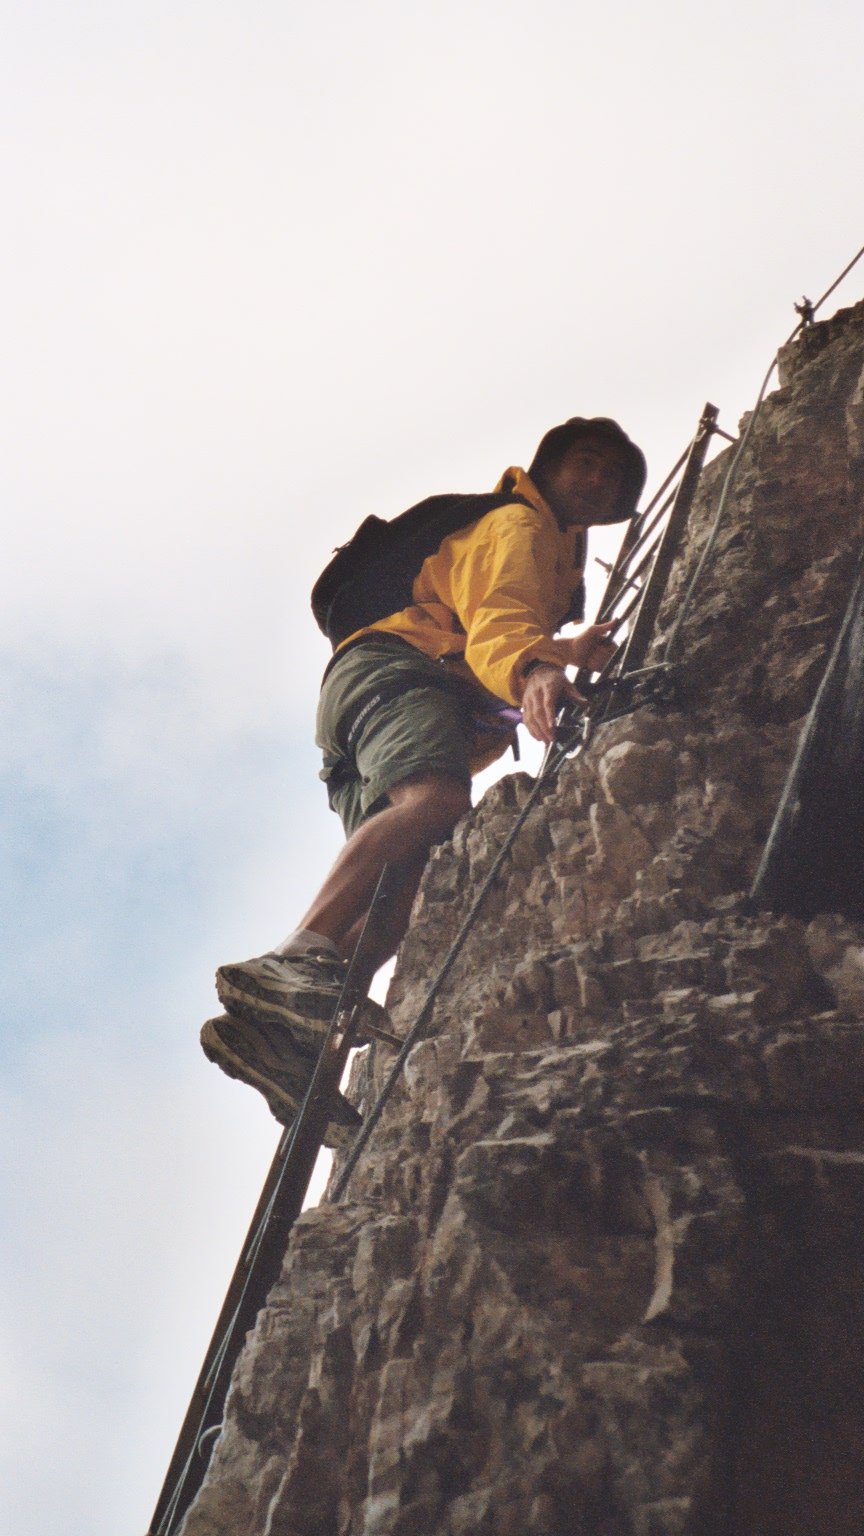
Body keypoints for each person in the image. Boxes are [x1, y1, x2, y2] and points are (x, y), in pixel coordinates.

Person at [201, 416, 646, 1141]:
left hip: (375, 689)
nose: (598, 479)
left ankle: (289, 1040)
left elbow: (476, 617)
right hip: (398, 671)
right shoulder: (520, 524)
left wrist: (562, 650)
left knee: (409, 882)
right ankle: (294, 959)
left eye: (613, 476)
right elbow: (498, 615)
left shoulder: (550, 560)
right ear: (550, 467)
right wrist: (538, 667)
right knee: (435, 802)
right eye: (587, 462)